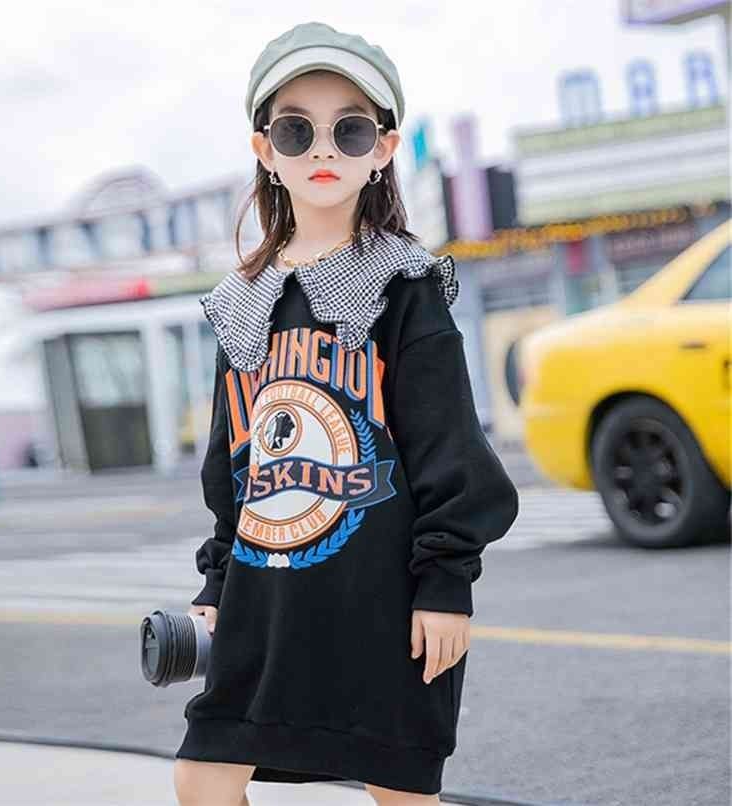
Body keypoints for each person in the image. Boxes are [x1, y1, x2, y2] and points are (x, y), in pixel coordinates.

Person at [174, 20, 519, 806]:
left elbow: (448, 446)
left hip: (383, 604)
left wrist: (446, 584)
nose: (323, 149)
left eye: (350, 129)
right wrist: (216, 584)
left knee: (399, 793)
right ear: (265, 150)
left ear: (383, 149)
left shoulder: (407, 285)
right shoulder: (240, 302)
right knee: (202, 778)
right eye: (296, 130)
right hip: (264, 607)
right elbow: (235, 466)